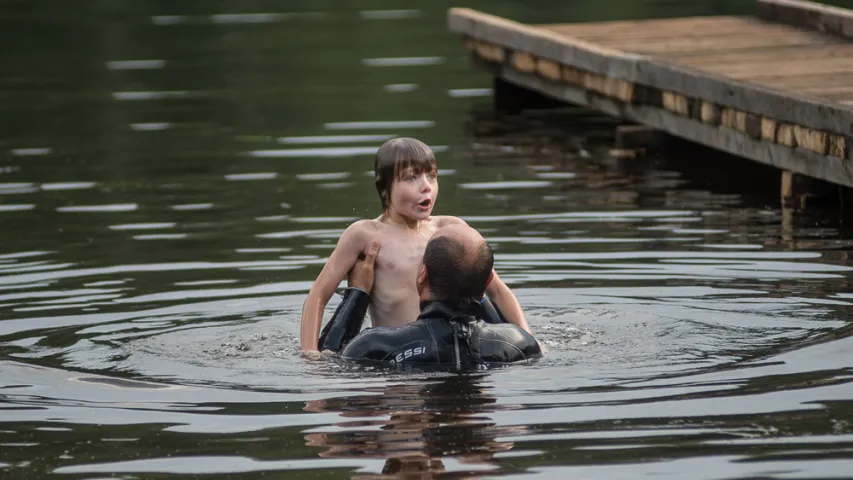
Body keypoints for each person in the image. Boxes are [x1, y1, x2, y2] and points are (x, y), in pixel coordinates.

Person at [300, 137, 531, 352]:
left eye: (431, 176)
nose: (426, 186)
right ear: (384, 188)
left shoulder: (449, 230)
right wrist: (309, 355)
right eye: (411, 178)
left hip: (447, 345)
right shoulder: (365, 235)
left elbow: (498, 291)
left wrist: (529, 336)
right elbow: (318, 295)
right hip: (397, 351)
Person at [318, 224, 542, 368]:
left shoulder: (373, 345)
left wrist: (357, 294)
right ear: (485, 284)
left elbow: (329, 358)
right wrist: (476, 279)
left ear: (423, 274)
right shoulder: (521, 344)